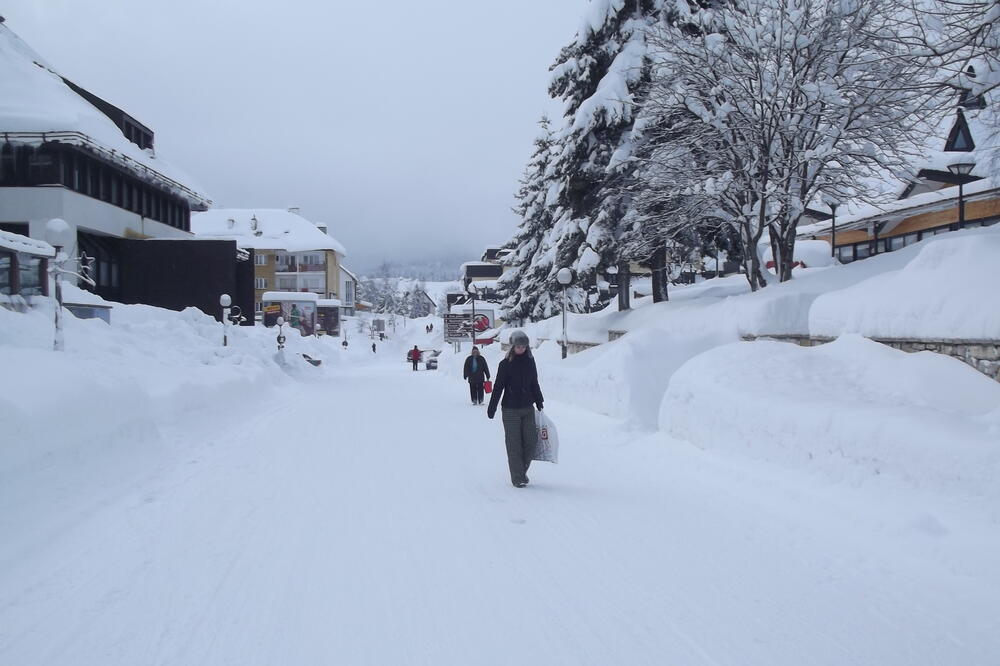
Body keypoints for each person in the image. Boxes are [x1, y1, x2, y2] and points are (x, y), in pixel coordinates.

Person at [487, 331, 543, 488]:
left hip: (527, 408)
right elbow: (498, 387)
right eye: (518, 346)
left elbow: (534, 383)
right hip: (510, 409)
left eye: (524, 346)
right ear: (513, 347)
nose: (521, 349)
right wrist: (492, 407)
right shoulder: (505, 365)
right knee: (514, 444)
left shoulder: (530, 362)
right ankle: (517, 477)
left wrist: (539, 401)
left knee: (531, 441)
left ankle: (521, 471)